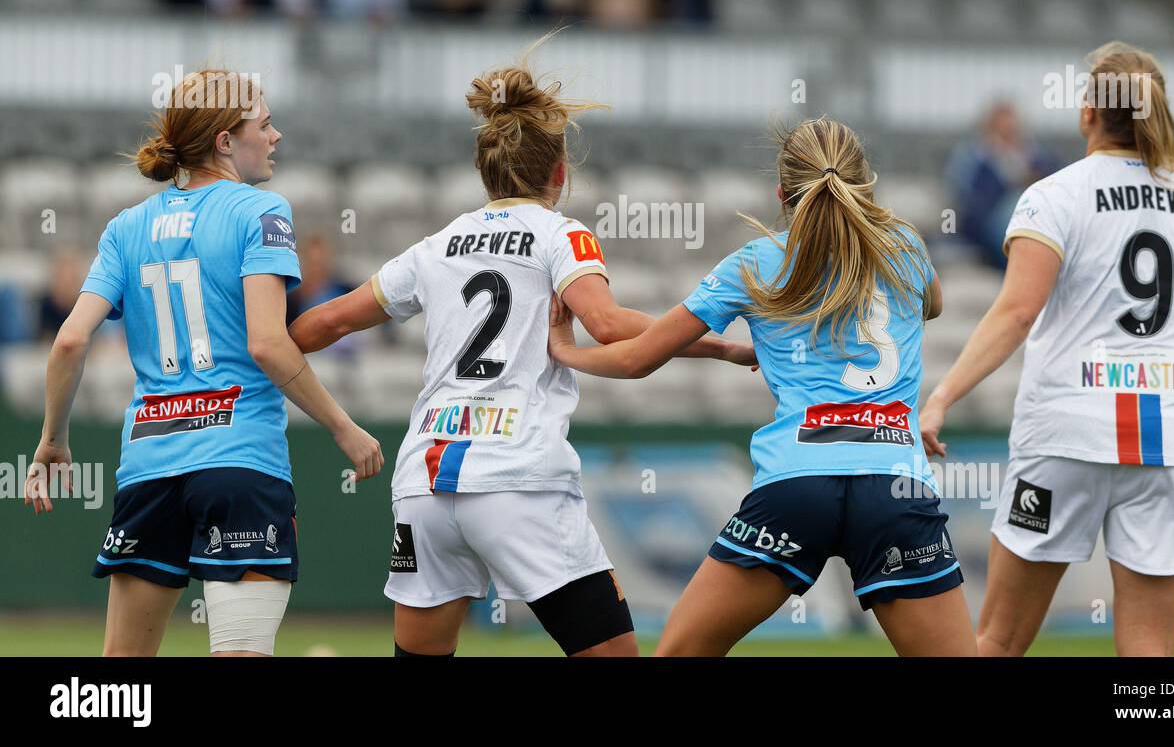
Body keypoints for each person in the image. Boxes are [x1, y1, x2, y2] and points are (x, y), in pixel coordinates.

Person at [288, 51, 753, 657]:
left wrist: (255, 353)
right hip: (516, 475)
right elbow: (609, 325)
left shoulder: (436, 246)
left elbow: (325, 322)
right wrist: (718, 345)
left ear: (487, 175)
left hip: (424, 480)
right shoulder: (562, 235)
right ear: (559, 174)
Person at [549, 116, 978, 657]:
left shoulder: (753, 263)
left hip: (797, 487)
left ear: (780, 193)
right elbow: (932, 305)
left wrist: (567, 351)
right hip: (893, 485)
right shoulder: (905, 248)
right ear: (865, 185)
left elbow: (638, 359)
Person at [919, 42, 1174, 656]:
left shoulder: (1053, 195)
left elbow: (1015, 312)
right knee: (1148, 655)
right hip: (1167, 439)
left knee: (999, 641)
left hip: (1066, 435)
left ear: (1088, 110)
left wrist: (942, 396)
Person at [23, 69, 382, 657]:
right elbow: (267, 343)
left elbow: (68, 342)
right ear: (223, 141)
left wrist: (51, 440)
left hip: (149, 466)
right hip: (240, 461)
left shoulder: (126, 227)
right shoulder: (261, 211)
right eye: (264, 125)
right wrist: (343, 426)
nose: (276, 136)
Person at [944, 100, 1057, 268]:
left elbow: (1055, 180)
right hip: (992, 222)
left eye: (1012, 131)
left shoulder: (1035, 156)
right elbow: (968, 201)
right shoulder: (974, 160)